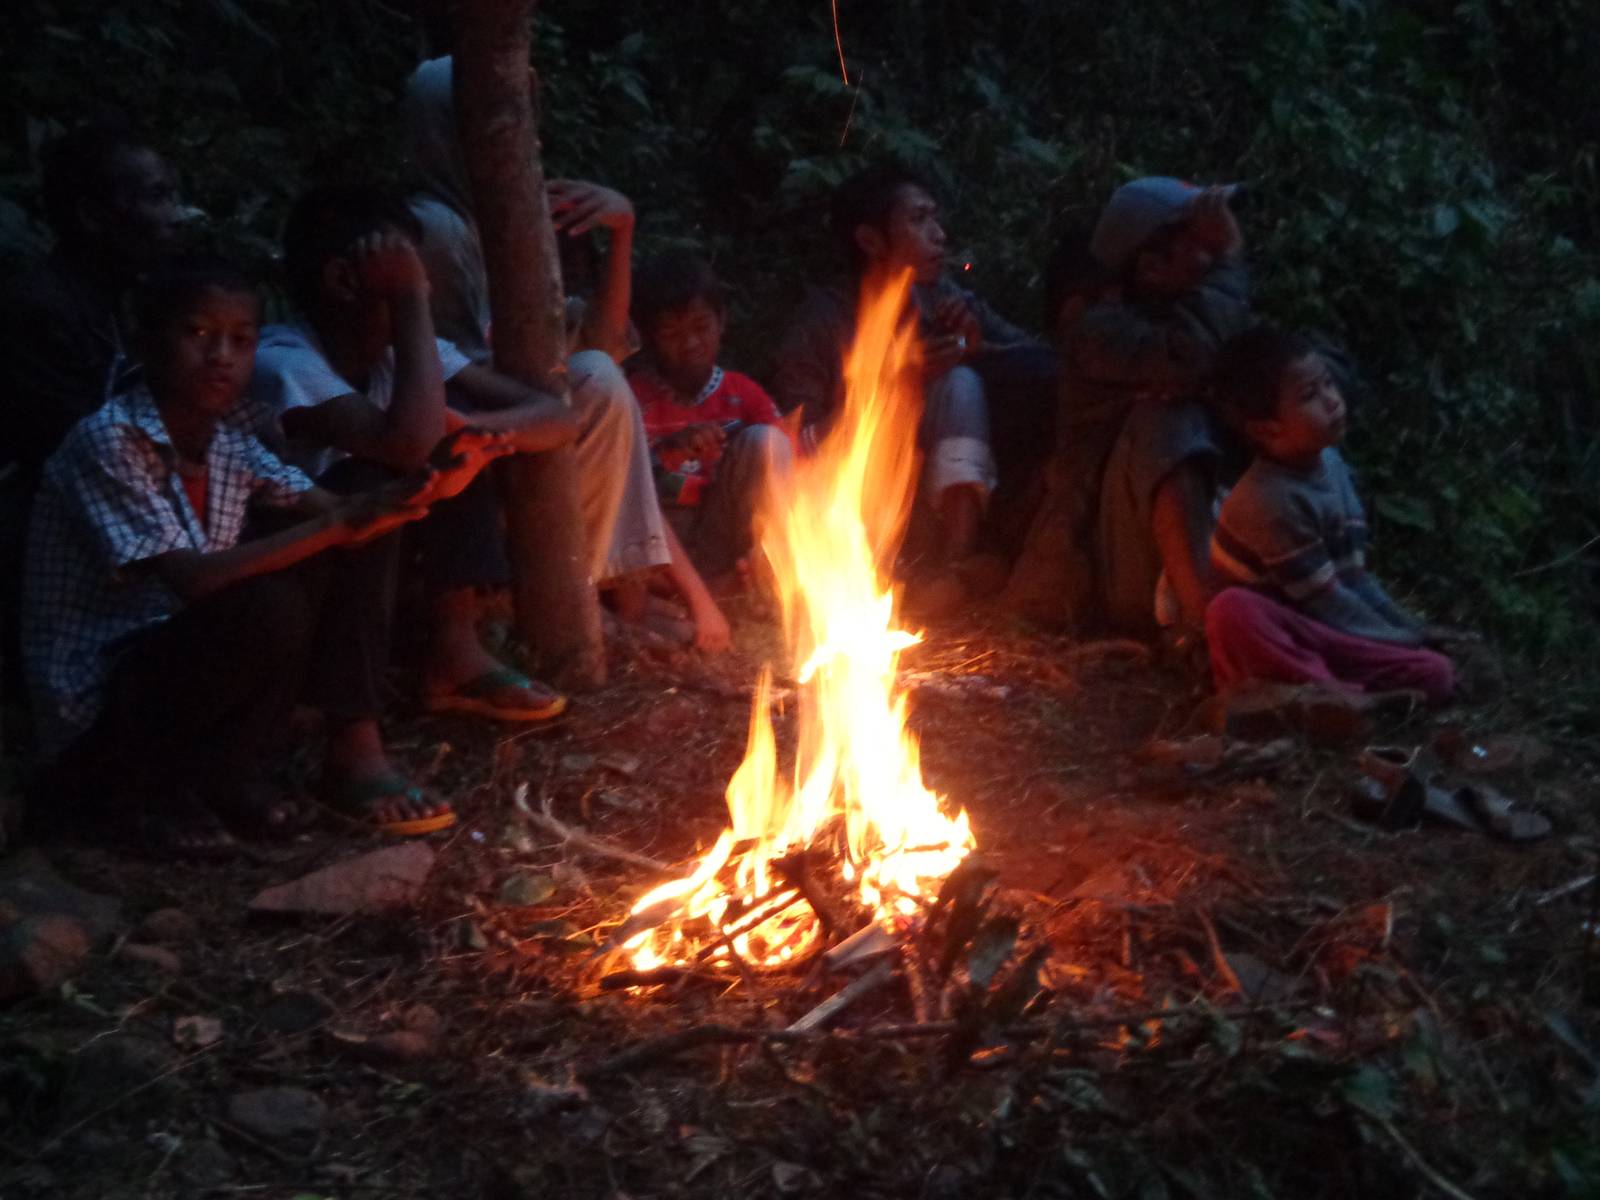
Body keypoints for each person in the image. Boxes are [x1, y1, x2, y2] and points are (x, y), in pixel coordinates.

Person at [24, 257, 498, 855]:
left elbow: (337, 504)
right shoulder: (111, 438)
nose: (221, 355)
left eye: (240, 340)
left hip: (178, 670)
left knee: (342, 529)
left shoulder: (228, 442)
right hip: (99, 709)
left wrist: (427, 486)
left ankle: (234, 772)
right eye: (198, 335)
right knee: (267, 605)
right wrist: (344, 520)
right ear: (146, 343)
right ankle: (133, 796)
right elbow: (193, 581)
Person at [402, 56, 730, 650]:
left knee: (601, 377)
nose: (519, 136)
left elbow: (602, 342)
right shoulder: (434, 231)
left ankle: (613, 598)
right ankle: (580, 603)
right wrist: (531, 405)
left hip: (530, 429)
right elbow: (449, 369)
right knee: (598, 383)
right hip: (474, 447)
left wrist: (622, 230)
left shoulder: (517, 217)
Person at [771, 165, 1055, 611]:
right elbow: (794, 443)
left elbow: (1040, 362)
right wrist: (892, 387)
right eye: (919, 220)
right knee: (933, 388)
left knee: (959, 379)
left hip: (932, 500)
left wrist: (982, 346)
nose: (938, 234)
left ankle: (956, 563)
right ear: (871, 240)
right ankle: (883, 577)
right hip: (853, 511)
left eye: (935, 218)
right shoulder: (823, 321)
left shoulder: (942, 301)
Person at [0, 121, 187, 720]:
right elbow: (84, 447)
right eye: (155, 196)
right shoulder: (39, 308)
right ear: (93, 215)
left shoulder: (128, 297)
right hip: (47, 529)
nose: (173, 215)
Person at [1202, 326, 1456, 704]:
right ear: (1266, 429)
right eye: (1309, 396)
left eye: (1327, 385)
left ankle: (1336, 696)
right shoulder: (1268, 501)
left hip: (1325, 633)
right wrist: (1408, 639)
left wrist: (1413, 629)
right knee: (1232, 613)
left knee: (1437, 671)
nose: (1332, 401)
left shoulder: (1332, 466)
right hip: (1287, 630)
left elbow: (1354, 579)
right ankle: (1326, 696)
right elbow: (1327, 602)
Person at [1062, 176, 1256, 638]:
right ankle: (1203, 626)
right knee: (1166, 420)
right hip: (1107, 570)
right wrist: (1230, 264)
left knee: (1298, 412)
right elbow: (1191, 356)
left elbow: (1285, 370)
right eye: (1201, 244)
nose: (1212, 259)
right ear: (1151, 266)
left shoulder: (1204, 319)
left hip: (1191, 549)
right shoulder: (1098, 333)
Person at [627, 250, 792, 586]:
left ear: (722, 322)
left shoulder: (741, 394)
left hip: (723, 533)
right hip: (663, 547)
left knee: (767, 442)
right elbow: (625, 489)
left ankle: (756, 574)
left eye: (701, 327)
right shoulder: (632, 398)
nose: (690, 343)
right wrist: (669, 451)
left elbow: (785, 464)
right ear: (647, 339)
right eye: (672, 334)